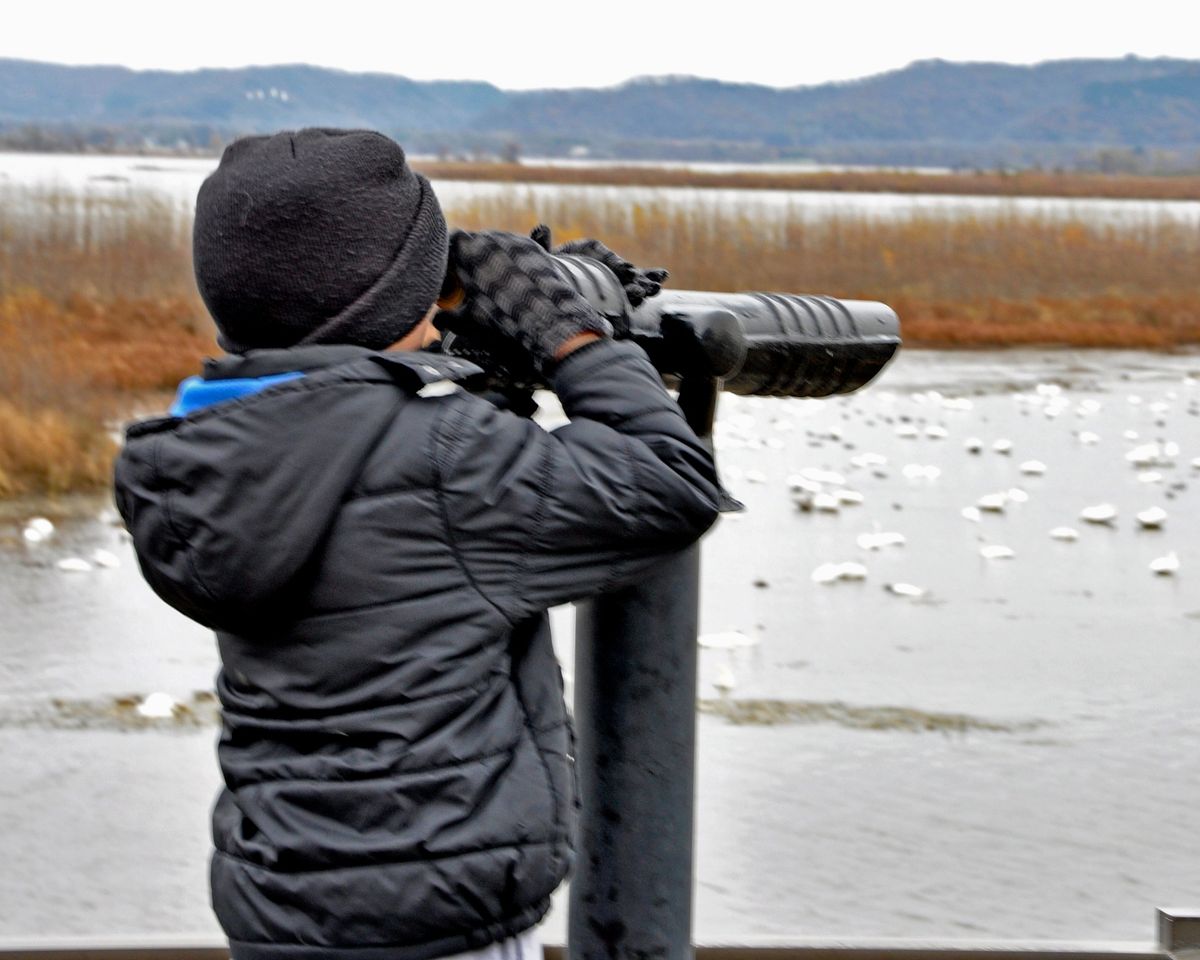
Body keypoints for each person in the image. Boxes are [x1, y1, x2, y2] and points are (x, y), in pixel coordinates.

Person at [113, 128, 720, 960]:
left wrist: (460, 373)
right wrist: (573, 337)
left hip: (281, 907)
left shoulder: (206, 448)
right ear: (397, 300)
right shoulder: (448, 460)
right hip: (440, 917)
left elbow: (391, 484)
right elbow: (668, 483)